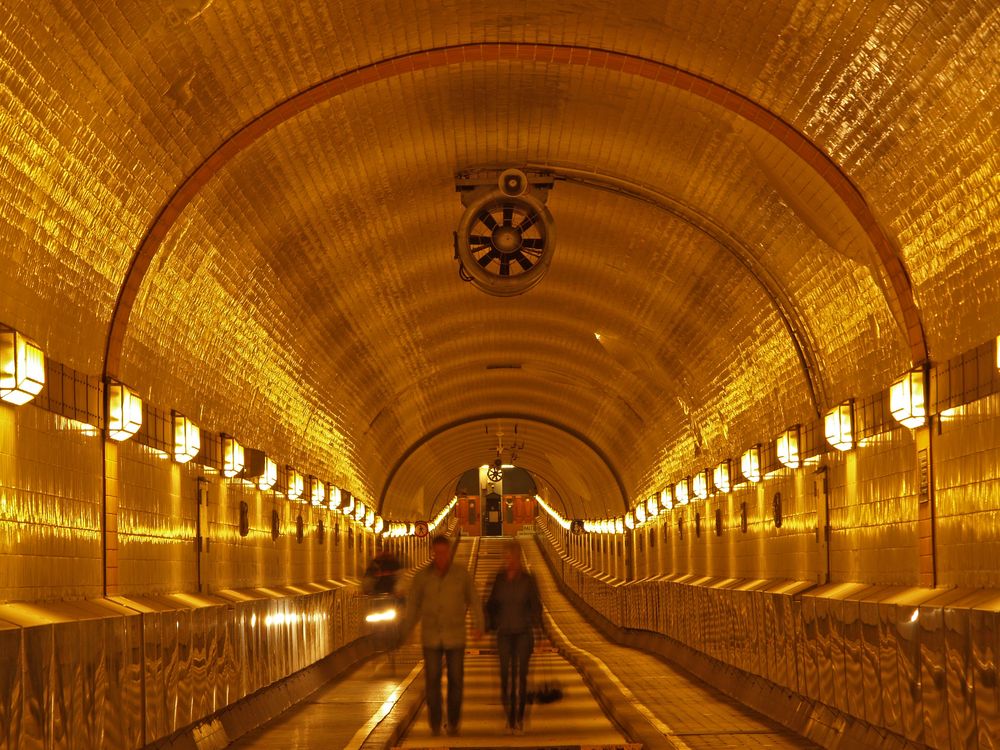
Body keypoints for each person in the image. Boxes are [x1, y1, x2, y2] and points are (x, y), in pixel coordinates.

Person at [399, 534, 484, 737]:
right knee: (432, 681)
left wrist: (478, 624)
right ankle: (435, 722)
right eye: (437, 553)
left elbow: (474, 599)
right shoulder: (422, 578)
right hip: (431, 637)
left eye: (444, 553)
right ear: (432, 553)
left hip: (455, 636)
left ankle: (453, 721)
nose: (440, 557)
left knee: (456, 680)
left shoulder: (461, 575)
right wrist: (407, 629)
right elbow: (413, 606)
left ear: (449, 553)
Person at [485, 539, 542, 734]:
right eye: (507, 557)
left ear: (519, 558)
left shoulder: (528, 580)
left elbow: (536, 605)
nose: (509, 561)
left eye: (513, 557)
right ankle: (509, 716)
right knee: (504, 676)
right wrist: (490, 623)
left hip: (523, 633)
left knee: (522, 676)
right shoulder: (499, 579)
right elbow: (491, 603)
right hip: (504, 634)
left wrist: (538, 628)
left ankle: (519, 717)